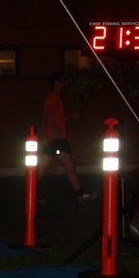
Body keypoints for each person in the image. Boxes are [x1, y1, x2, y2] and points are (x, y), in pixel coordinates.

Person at [37, 72, 94, 200]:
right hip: (57, 140)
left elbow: (56, 118)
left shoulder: (55, 97)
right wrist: (49, 135)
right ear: (57, 83)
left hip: (55, 139)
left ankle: (31, 192)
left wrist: (70, 117)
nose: (63, 85)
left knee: (44, 167)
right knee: (68, 166)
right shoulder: (53, 97)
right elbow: (47, 116)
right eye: (62, 82)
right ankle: (80, 193)